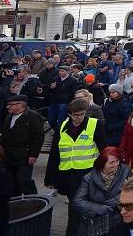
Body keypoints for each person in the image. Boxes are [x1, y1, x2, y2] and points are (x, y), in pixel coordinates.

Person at [45, 98, 109, 236]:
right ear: (69, 114)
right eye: (76, 115)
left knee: (80, 208)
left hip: (88, 174)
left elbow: (104, 150)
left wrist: (105, 172)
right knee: (74, 208)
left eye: (82, 114)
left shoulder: (95, 125)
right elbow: (55, 154)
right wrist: (50, 178)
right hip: (68, 175)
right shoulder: (61, 128)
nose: (79, 117)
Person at [72, 147, 132, 236]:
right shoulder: (88, 178)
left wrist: (117, 199)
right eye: (111, 162)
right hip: (95, 225)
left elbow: (132, 190)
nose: (116, 165)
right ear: (102, 163)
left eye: (117, 161)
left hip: (118, 221)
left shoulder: (126, 171)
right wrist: (97, 208)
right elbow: (77, 201)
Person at [0, 94, 44, 196]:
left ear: (20, 105)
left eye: (11, 104)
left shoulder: (32, 116)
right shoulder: (9, 118)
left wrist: (34, 154)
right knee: (13, 183)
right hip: (10, 157)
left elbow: (39, 137)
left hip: (24, 155)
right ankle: (16, 204)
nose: (8, 107)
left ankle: (34, 201)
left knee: (24, 181)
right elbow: (5, 135)